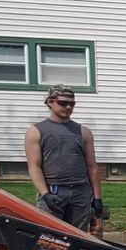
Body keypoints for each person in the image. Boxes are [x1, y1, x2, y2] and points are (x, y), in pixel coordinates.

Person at [25, 85, 103, 231]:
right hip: (53, 191)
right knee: (52, 240)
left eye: (72, 104)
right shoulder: (36, 131)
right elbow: (34, 166)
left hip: (80, 192)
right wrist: (45, 194)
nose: (68, 107)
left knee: (79, 237)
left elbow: (92, 166)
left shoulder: (83, 131)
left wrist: (97, 198)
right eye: (63, 103)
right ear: (50, 102)